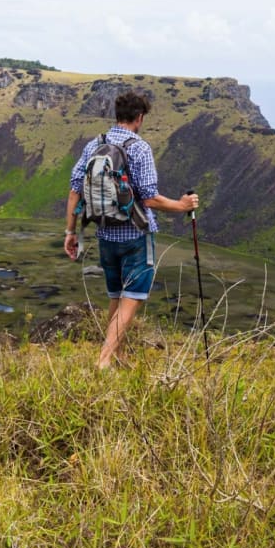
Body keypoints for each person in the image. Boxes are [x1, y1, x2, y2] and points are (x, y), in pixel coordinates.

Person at [63, 91, 198, 369]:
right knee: (133, 297)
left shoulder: (95, 145)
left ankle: (117, 356)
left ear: (117, 115)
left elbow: (75, 189)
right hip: (135, 235)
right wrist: (182, 205)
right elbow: (149, 198)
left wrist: (70, 232)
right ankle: (103, 360)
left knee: (116, 296)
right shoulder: (139, 148)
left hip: (104, 234)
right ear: (139, 117)